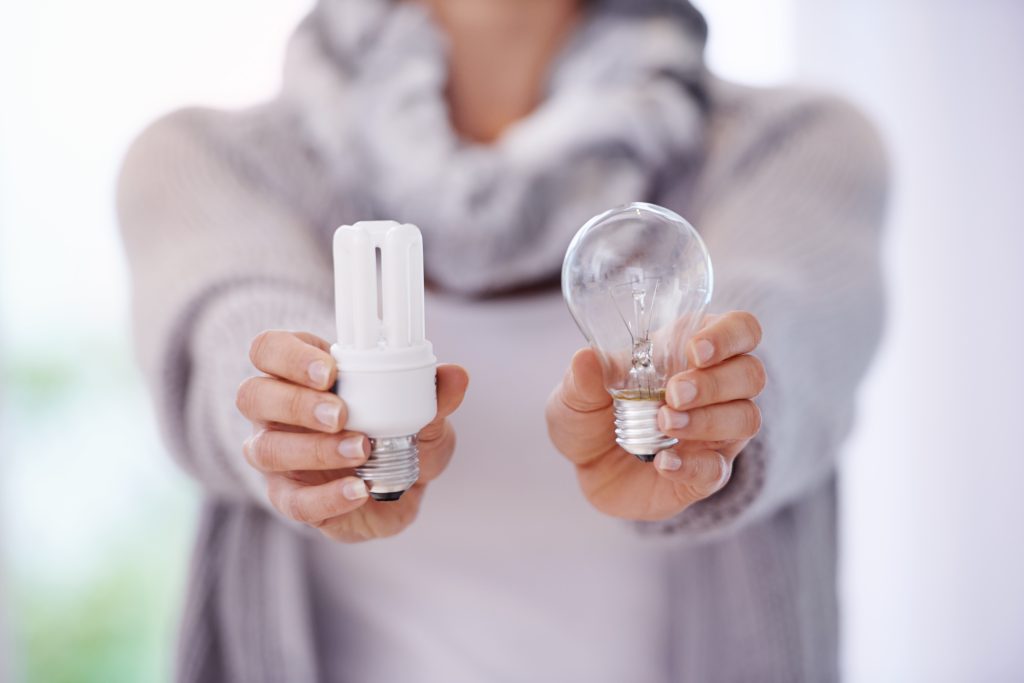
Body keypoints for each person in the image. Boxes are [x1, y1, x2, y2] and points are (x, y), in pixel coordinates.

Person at [117, 0, 887, 681]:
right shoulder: (206, 161)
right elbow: (233, 320)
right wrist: (301, 409)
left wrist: (712, 412)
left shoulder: (794, 146)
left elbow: (789, 318)